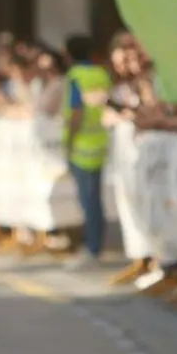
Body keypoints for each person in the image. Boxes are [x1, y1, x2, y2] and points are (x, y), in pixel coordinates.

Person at [62, 34, 111, 269]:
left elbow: (76, 112)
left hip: (81, 147)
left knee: (87, 200)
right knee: (95, 200)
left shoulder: (75, 77)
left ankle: (91, 249)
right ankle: (95, 245)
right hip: (100, 143)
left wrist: (69, 143)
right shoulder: (101, 75)